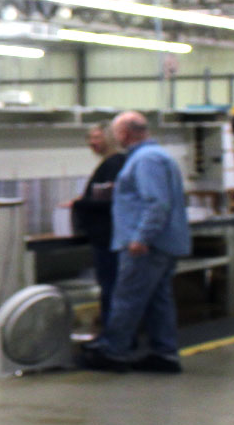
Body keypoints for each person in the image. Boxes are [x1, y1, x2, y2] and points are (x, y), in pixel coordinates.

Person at [81, 111, 191, 374]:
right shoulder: (156, 156)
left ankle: (114, 351)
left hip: (146, 246)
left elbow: (156, 203)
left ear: (124, 134)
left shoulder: (145, 160)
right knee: (157, 300)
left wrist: (141, 237)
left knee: (127, 297)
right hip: (162, 243)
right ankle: (164, 353)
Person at [70, 123, 126, 330]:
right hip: (105, 237)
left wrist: (80, 203)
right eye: (90, 138)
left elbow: (111, 201)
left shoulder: (114, 164)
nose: (92, 143)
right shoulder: (109, 164)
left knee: (111, 286)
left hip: (109, 237)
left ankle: (114, 335)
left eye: (97, 137)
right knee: (109, 286)